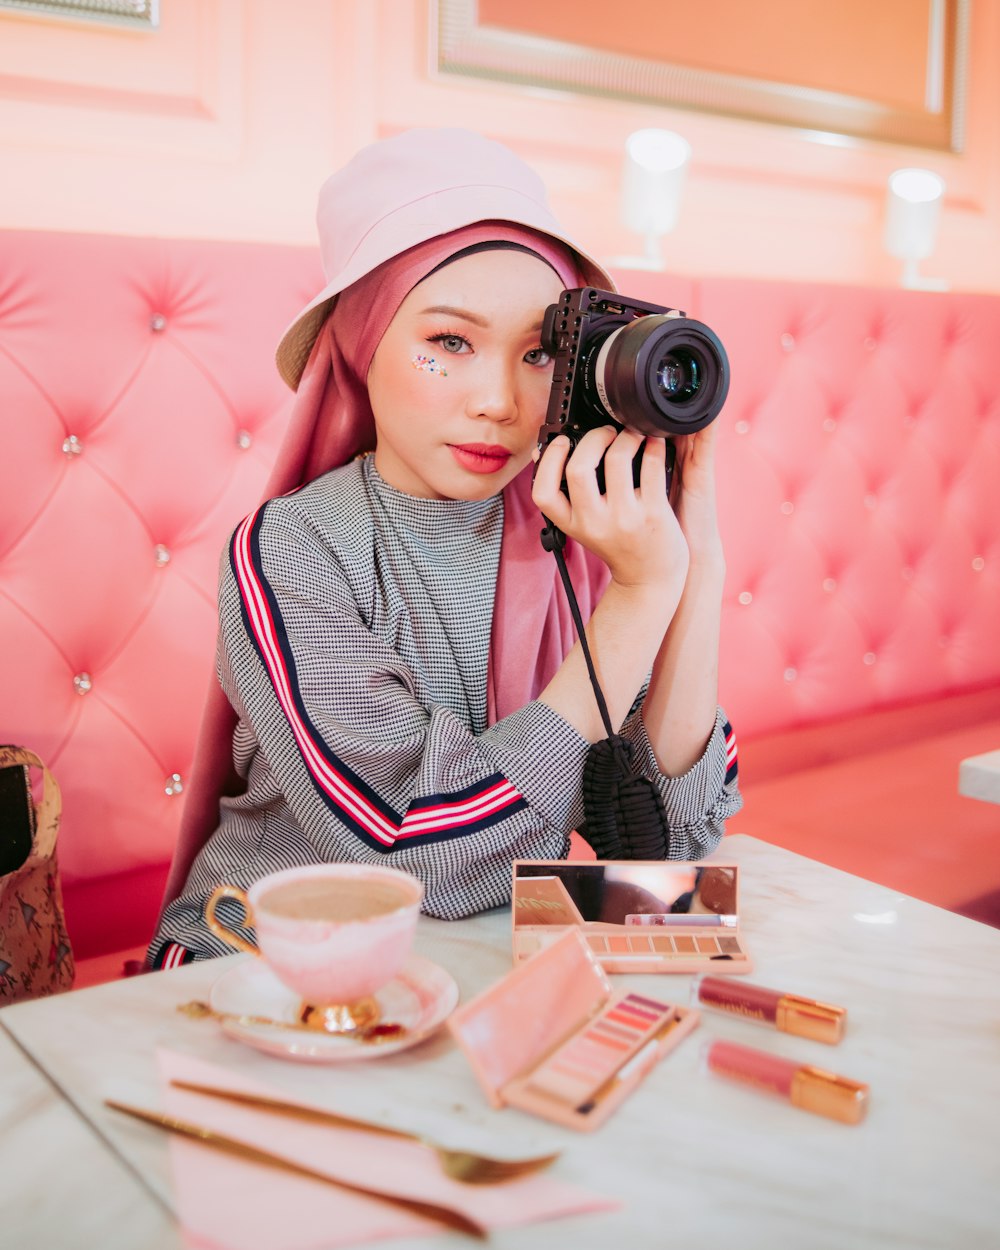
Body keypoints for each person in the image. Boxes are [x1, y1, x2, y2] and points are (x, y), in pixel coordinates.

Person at [148, 127, 741, 968]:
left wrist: (694, 557)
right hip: (277, 964)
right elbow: (416, 859)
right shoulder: (291, 552)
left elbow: (675, 843)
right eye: (450, 343)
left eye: (538, 352)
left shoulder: (590, 534)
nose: (499, 401)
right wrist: (639, 602)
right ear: (363, 347)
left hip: (486, 952)